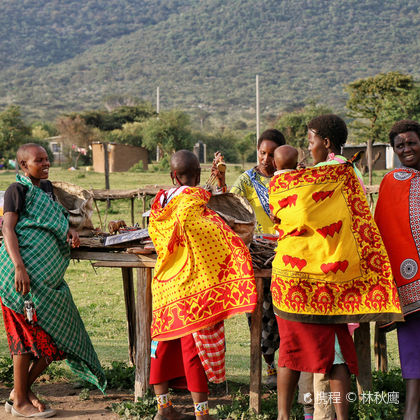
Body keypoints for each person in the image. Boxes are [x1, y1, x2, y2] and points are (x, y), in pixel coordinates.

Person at [269, 114, 402, 420]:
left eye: (311, 141)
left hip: (300, 280)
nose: (308, 147)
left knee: (289, 351)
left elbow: (290, 212)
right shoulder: (350, 172)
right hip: (336, 278)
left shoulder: (321, 176)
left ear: (326, 143)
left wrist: (281, 179)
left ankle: (283, 416)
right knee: (337, 356)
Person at [148, 150, 257, 420]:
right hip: (191, 288)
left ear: (173, 176)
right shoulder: (193, 206)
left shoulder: (160, 202)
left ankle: (164, 409)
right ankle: (202, 414)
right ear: (196, 176)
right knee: (192, 348)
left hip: (165, 283)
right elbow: (213, 237)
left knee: (161, 344)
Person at [0, 143, 106, 418]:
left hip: (47, 281)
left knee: (55, 340)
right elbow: (8, 228)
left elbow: (54, 219)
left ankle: (18, 394)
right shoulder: (17, 191)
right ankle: (21, 402)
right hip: (21, 278)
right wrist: (19, 266)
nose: (46, 164)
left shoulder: (47, 190)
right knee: (25, 339)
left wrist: (69, 230)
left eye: (47, 159)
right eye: (39, 161)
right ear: (24, 165)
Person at [230, 128, 285, 386]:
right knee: (260, 314)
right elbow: (230, 204)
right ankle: (269, 366)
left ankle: (287, 365)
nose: (265, 158)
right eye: (262, 153)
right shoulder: (246, 180)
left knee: (283, 313)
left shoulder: (291, 178)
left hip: (286, 254)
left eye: (272, 154)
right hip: (256, 255)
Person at [374, 119, 420, 420]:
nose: (406, 149)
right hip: (409, 279)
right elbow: (384, 230)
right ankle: (411, 410)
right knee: (413, 344)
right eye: (400, 145)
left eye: (411, 142)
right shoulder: (392, 182)